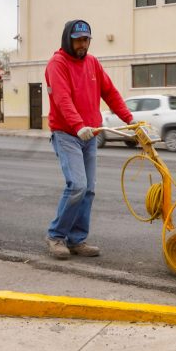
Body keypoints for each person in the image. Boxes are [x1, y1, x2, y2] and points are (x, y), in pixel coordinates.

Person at [44, 19, 133, 259]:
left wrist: (129, 120)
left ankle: (77, 240)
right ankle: (55, 236)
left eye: (86, 40)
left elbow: (110, 92)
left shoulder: (92, 63)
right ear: (68, 40)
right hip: (67, 134)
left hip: (90, 134)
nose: (83, 45)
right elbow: (62, 100)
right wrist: (77, 125)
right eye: (78, 40)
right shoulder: (57, 64)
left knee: (89, 190)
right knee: (77, 186)